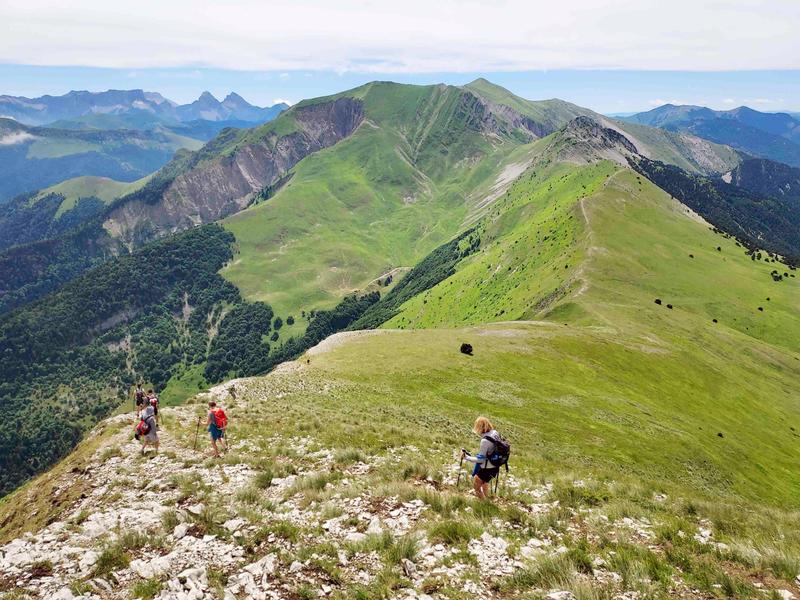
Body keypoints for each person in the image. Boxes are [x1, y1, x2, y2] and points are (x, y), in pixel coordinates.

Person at [462, 416, 502, 500]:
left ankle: (483, 503)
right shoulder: (495, 433)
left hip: (487, 468)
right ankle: (486, 499)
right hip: (496, 465)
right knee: (485, 481)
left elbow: (480, 460)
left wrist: (467, 457)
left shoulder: (485, 441)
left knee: (476, 486)